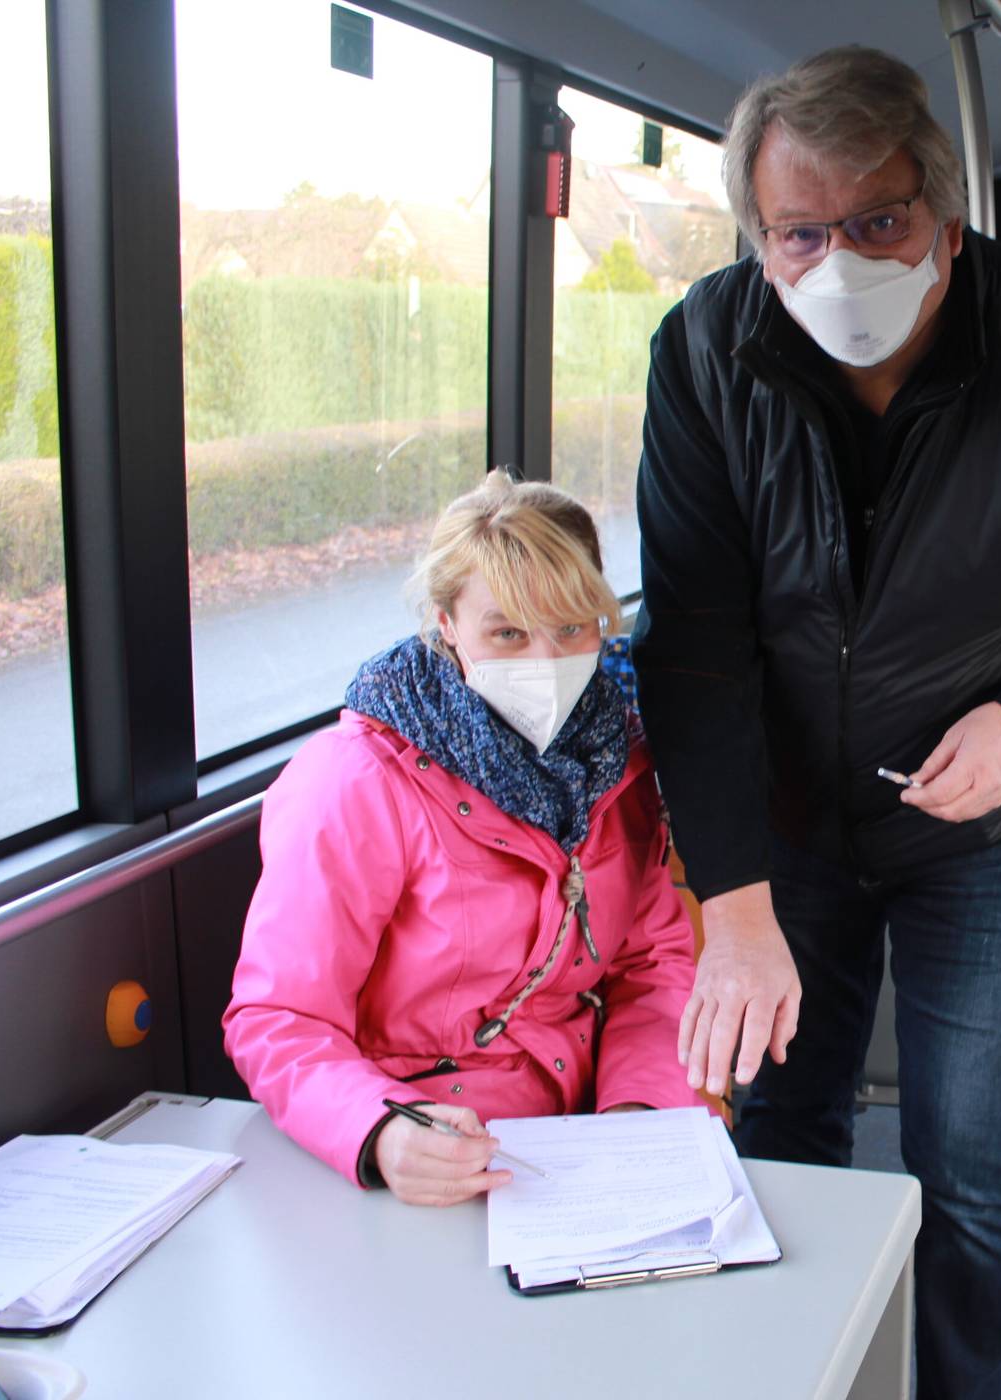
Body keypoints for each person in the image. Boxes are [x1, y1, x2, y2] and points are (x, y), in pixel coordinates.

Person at [632, 46, 1001, 1399]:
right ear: (757, 236)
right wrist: (730, 906)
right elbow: (698, 647)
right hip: (785, 824)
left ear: (946, 219)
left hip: (987, 828)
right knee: (785, 1123)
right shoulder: (707, 354)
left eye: (878, 223)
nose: (837, 261)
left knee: (963, 1149)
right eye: (798, 232)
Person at [223, 471, 702, 1206]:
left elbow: (650, 965)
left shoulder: (618, 761)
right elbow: (279, 1017)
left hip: (580, 1150)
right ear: (447, 624)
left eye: (571, 627)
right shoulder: (357, 781)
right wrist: (381, 1132)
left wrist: (638, 1112)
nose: (545, 662)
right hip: (420, 1152)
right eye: (507, 632)